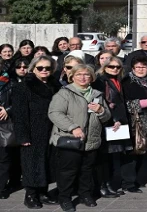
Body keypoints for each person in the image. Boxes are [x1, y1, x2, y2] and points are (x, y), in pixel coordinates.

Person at [48, 64, 111, 212]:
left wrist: (101, 110)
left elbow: (107, 116)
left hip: (91, 139)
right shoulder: (64, 93)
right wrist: (73, 127)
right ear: (72, 77)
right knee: (68, 172)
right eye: (79, 75)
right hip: (70, 139)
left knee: (87, 170)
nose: (83, 77)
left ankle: (85, 195)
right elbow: (55, 113)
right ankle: (65, 198)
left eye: (86, 75)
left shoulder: (97, 94)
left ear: (91, 77)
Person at [13, 56, 60, 209]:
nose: (44, 71)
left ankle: (43, 192)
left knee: (47, 162)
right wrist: (22, 136)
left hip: (51, 130)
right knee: (32, 163)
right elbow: (19, 113)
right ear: (33, 69)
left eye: (47, 68)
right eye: (40, 68)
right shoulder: (24, 86)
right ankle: (31, 195)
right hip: (32, 130)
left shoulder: (55, 85)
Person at [121, 56, 147, 193]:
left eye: (143, 67)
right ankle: (128, 182)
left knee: (141, 152)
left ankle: (136, 179)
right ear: (132, 68)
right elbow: (125, 104)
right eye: (137, 67)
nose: (140, 69)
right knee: (132, 153)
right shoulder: (126, 82)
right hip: (134, 123)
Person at [93, 56, 131, 197]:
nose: (114, 69)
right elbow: (101, 102)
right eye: (111, 67)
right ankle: (103, 185)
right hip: (107, 122)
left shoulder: (120, 80)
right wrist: (114, 118)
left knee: (114, 156)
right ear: (104, 67)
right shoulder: (100, 81)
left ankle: (110, 184)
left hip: (119, 121)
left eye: (117, 67)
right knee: (104, 156)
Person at [0, 59, 19, 199]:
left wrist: (7, 109)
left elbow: (18, 103)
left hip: (4, 124)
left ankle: (1, 187)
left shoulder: (11, 82)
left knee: (4, 158)